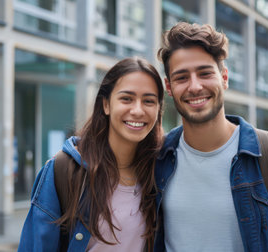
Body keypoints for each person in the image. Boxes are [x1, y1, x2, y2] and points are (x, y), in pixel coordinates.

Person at [154, 22, 268, 251]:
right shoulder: (157, 158)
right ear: (169, 87)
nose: (195, 86)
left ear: (224, 78)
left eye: (205, 73)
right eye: (182, 78)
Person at [18, 57, 165, 251]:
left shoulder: (161, 172)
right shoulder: (65, 169)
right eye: (126, 98)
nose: (138, 110)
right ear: (106, 105)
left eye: (148, 101)